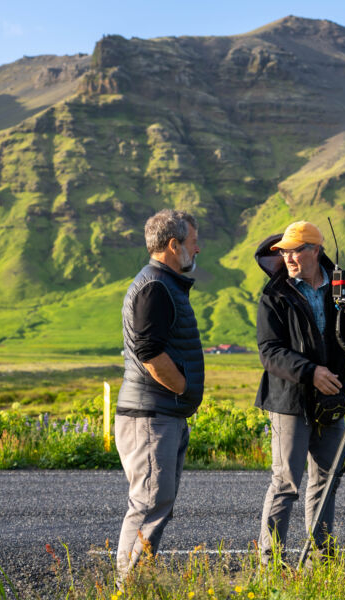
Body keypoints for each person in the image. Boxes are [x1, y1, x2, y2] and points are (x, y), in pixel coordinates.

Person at [254, 220, 345, 564]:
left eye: (296, 249)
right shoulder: (275, 293)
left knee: (327, 481)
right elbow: (269, 351)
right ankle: (270, 564)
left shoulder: (343, 289)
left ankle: (323, 559)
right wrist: (310, 372)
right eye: (284, 251)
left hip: (330, 400)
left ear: (316, 250)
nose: (289, 257)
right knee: (286, 483)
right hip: (289, 401)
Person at [115, 208, 204, 580]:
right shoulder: (155, 287)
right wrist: (184, 390)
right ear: (173, 245)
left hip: (159, 414)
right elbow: (149, 352)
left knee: (156, 502)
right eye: (193, 243)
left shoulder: (162, 284)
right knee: (150, 502)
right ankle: (130, 586)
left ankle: (137, 582)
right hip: (152, 416)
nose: (197, 252)